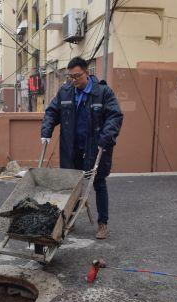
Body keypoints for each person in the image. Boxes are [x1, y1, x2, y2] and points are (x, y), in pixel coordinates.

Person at [41, 57, 123, 239]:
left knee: (99, 183)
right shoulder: (65, 91)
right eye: (70, 77)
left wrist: (106, 137)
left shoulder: (103, 92)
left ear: (87, 73)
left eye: (77, 76)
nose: (73, 80)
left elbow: (115, 116)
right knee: (72, 185)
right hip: (71, 148)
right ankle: (70, 218)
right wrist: (46, 131)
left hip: (96, 148)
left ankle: (103, 224)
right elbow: (52, 112)